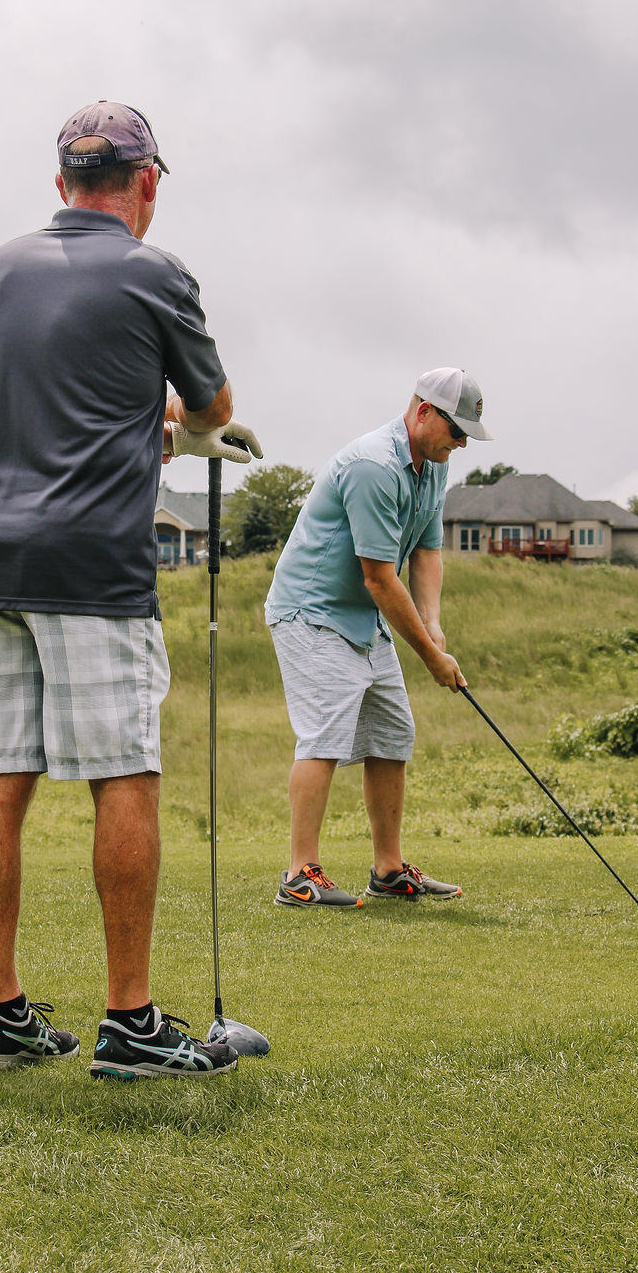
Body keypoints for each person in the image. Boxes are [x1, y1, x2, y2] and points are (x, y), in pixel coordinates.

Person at [0, 100, 260, 1079]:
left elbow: (42, 392)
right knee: (123, 773)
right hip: (87, 559)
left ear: (61, 183)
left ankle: (0, 1013)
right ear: (147, 181)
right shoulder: (155, 271)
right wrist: (183, 426)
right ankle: (129, 1022)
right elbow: (213, 403)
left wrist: (142, 421)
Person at [265, 368, 490, 908]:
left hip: (363, 617)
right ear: (424, 412)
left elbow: (427, 550)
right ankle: (299, 875)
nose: (461, 443)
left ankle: (388, 870)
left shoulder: (433, 467)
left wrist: (433, 625)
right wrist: (432, 658)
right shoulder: (374, 466)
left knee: (392, 733)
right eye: (457, 430)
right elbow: (379, 578)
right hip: (312, 611)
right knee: (323, 736)